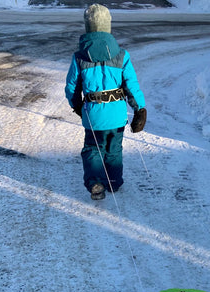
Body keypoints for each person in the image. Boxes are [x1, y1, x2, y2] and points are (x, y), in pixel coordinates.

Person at [65, 4, 147, 200]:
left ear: (88, 26)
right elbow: (131, 86)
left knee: (93, 149)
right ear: (107, 26)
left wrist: (77, 106)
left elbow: (72, 88)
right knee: (114, 149)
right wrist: (140, 110)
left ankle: (96, 183)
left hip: (94, 115)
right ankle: (114, 182)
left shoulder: (79, 57)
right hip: (117, 115)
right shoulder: (121, 55)